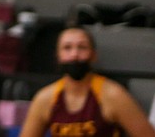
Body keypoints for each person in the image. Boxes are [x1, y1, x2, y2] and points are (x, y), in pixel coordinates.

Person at [19, 25, 155, 137]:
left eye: (82, 47)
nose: (74, 54)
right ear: (58, 56)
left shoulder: (113, 95)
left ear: (93, 55)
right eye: (67, 48)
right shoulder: (45, 99)